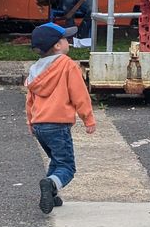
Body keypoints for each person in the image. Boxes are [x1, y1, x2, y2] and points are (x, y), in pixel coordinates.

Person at [25, 22, 96, 214]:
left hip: (40, 125)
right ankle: (50, 184)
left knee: (56, 160)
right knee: (67, 166)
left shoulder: (35, 70)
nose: (68, 41)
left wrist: (30, 122)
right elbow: (79, 94)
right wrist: (88, 119)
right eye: (65, 39)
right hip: (58, 124)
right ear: (57, 45)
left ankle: (52, 194)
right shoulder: (67, 65)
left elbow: (30, 100)